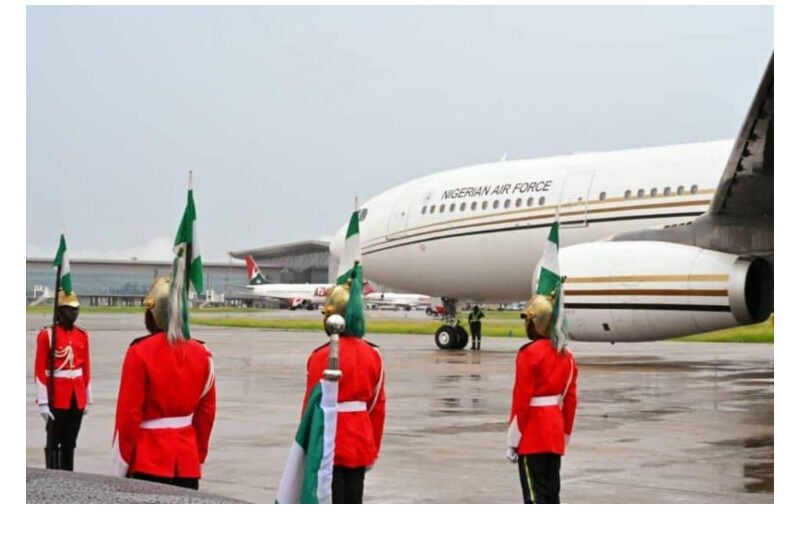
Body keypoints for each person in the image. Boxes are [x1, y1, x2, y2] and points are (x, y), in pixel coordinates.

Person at [111, 276, 216, 490]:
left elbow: (128, 416)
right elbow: (206, 415)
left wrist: (119, 466)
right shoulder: (203, 354)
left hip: (147, 459)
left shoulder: (139, 352)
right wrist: (197, 456)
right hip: (186, 462)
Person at [302, 273, 386, 504]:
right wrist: (373, 447)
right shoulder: (373, 356)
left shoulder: (319, 356)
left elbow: (310, 407)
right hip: (360, 441)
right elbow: (377, 407)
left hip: (327, 439)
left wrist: (307, 446)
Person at [506, 293, 578, 504]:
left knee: (535, 498)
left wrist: (513, 440)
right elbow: (570, 402)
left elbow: (521, 401)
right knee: (551, 496)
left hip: (532, 435)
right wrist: (564, 435)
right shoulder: (567, 356)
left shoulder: (529, 354)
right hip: (554, 434)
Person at [34, 290, 92, 471]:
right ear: (59, 311)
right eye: (69, 309)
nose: (74, 312)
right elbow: (39, 370)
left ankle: (68, 475)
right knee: (53, 441)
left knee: (70, 442)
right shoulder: (47, 335)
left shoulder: (82, 335)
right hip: (57, 396)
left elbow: (85, 369)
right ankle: (52, 476)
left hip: (76, 396)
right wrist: (43, 403)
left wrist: (87, 397)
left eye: (76, 309)